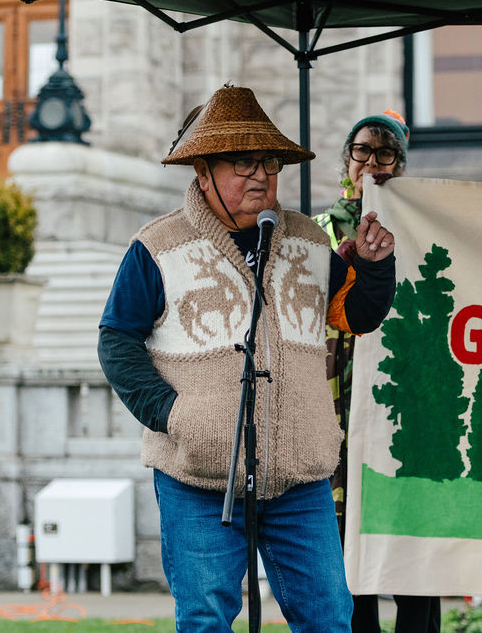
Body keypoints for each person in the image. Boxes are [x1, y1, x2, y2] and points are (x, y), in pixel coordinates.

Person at [97, 84, 396, 632]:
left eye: (270, 162)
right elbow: (116, 342)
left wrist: (375, 267)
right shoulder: (155, 248)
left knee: (331, 618)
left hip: (299, 476)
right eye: (243, 163)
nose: (261, 175)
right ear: (203, 170)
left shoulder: (308, 240)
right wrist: (174, 416)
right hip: (196, 476)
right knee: (207, 619)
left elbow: (355, 316)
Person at [315, 110, 441, 633]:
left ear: (401, 166)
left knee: (413, 557)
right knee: (348, 561)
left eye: (386, 153)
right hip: (338, 406)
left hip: (405, 406)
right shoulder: (316, 232)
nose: (373, 162)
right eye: (363, 150)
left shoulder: (425, 229)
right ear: (347, 161)